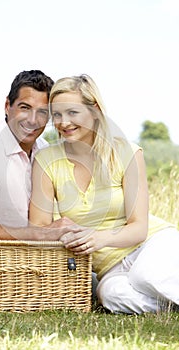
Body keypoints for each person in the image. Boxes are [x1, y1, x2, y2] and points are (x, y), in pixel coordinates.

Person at [29, 74, 179, 314]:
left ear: (95, 111)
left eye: (72, 112)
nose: (63, 122)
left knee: (144, 276)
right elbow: (38, 227)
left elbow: (139, 227)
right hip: (110, 267)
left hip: (151, 244)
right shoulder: (46, 161)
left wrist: (99, 238)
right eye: (56, 114)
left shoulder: (125, 152)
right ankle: (169, 307)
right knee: (110, 296)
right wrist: (61, 230)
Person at [0, 69, 77, 241]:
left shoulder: (45, 151)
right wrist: (41, 234)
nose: (32, 120)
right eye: (25, 108)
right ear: (7, 106)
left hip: (30, 263)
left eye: (42, 112)